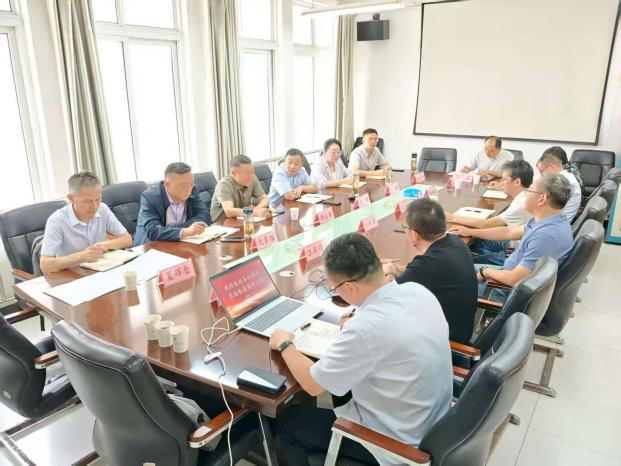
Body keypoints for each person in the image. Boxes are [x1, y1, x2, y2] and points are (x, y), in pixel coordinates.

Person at [270, 233, 452, 465]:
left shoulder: (365, 329)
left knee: (289, 422)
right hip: (430, 422)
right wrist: (359, 320)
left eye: (335, 288)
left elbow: (313, 385)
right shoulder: (417, 291)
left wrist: (284, 343)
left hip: (397, 445)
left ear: (349, 287)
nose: (337, 292)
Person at [451, 174, 573, 297]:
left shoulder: (546, 236)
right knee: (454, 269)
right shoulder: (550, 220)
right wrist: (470, 232)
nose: (524, 194)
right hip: (503, 274)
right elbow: (508, 232)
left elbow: (514, 279)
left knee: (448, 279)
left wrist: (485, 272)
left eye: (529, 190)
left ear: (541, 199)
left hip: (499, 289)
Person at [382, 199, 478, 344]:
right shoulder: (455, 241)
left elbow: (387, 297)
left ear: (414, 234)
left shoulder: (427, 265)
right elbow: (416, 270)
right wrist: (396, 268)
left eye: (405, 227)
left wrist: (389, 273)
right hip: (461, 327)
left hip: (447, 342)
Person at [40, 171, 132, 274]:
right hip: (72, 275)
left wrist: (101, 245)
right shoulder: (56, 220)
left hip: (101, 269)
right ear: (71, 198)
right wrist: (82, 256)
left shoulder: (103, 209)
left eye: (98, 199)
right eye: (88, 201)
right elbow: (45, 265)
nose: (94, 206)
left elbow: (127, 240)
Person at [447, 160, 534, 265]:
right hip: (516, 241)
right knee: (478, 242)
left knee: (466, 262)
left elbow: (486, 224)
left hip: (515, 255)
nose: (501, 182)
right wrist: (502, 187)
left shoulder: (520, 205)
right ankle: (488, 257)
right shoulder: (528, 194)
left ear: (517, 182)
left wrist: (452, 218)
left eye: (504, 180)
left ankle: (492, 263)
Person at [133, 162, 212, 246]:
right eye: (183, 185)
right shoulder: (150, 197)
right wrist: (184, 231)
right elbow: (153, 231)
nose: (188, 189)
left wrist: (181, 231)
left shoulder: (193, 189)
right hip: (150, 246)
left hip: (181, 242)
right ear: (167, 184)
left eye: (191, 184)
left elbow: (205, 216)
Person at [210, 154, 270, 222]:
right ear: (233, 173)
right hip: (222, 224)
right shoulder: (223, 185)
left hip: (242, 221)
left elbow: (265, 199)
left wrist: (256, 210)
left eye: (252, 171)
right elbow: (229, 211)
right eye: (246, 173)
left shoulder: (252, 178)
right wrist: (255, 213)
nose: (251, 175)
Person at [536, 148, 582, 221]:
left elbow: (541, 206)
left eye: (541, 172)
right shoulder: (566, 175)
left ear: (550, 167)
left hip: (557, 223)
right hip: (560, 220)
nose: (541, 176)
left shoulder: (561, 183)